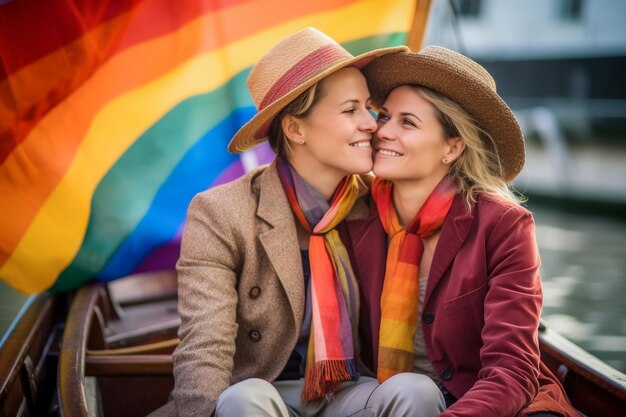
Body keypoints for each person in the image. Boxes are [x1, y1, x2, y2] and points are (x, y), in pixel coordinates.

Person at [150, 28, 445, 417]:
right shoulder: (220, 211)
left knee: (417, 391)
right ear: (295, 129)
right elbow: (204, 348)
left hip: (348, 390)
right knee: (243, 398)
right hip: (263, 391)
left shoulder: (382, 203)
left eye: (369, 107)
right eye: (351, 109)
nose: (373, 124)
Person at [359, 46, 581, 417]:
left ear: (453, 147)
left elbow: (512, 371)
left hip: (484, 402)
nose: (382, 131)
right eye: (383, 116)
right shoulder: (354, 210)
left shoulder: (504, 225)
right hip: (384, 399)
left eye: (407, 122)